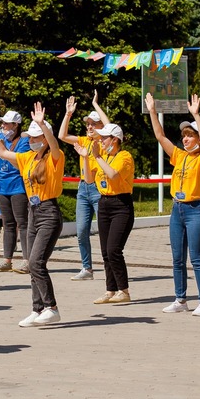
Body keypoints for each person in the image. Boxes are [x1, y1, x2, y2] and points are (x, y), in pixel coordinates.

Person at [0, 104, 66, 327]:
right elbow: (1, 152)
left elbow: (55, 145)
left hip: (49, 212)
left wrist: (42, 125)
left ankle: (51, 307)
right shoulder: (27, 157)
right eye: (30, 137)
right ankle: (37, 308)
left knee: (37, 262)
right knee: (31, 264)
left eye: (36, 137)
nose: (31, 140)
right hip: (33, 212)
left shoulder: (54, 158)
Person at [146, 93, 200, 317]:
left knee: (196, 257)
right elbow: (160, 136)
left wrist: (196, 115)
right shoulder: (179, 156)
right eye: (184, 135)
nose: (185, 139)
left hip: (196, 209)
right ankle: (180, 298)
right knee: (177, 258)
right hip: (177, 209)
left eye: (189, 136)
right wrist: (153, 112)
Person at [58, 92, 109, 281]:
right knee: (81, 231)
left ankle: (109, 264)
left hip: (99, 189)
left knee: (105, 231)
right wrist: (68, 114)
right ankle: (87, 268)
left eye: (93, 124)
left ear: (102, 127)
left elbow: (109, 124)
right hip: (83, 189)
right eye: (88, 124)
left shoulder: (105, 142)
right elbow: (61, 135)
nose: (89, 127)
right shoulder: (83, 140)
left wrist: (96, 104)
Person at [0, 110, 30, 274]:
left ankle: (27, 260)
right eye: (1, 123)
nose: (2, 126)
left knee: (22, 223)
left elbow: (16, 161)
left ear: (16, 125)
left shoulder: (24, 141)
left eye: (6, 123)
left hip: (18, 187)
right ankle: (7, 260)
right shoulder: (0, 140)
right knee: (8, 224)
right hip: (2, 187)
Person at [91, 122, 135, 304]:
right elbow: (88, 178)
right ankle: (110, 290)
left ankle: (123, 290)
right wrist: (87, 157)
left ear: (115, 140)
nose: (101, 141)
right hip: (104, 203)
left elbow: (114, 175)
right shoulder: (104, 157)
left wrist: (97, 157)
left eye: (104, 138)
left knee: (114, 249)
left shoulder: (124, 156)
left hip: (121, 204)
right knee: (105, 251)